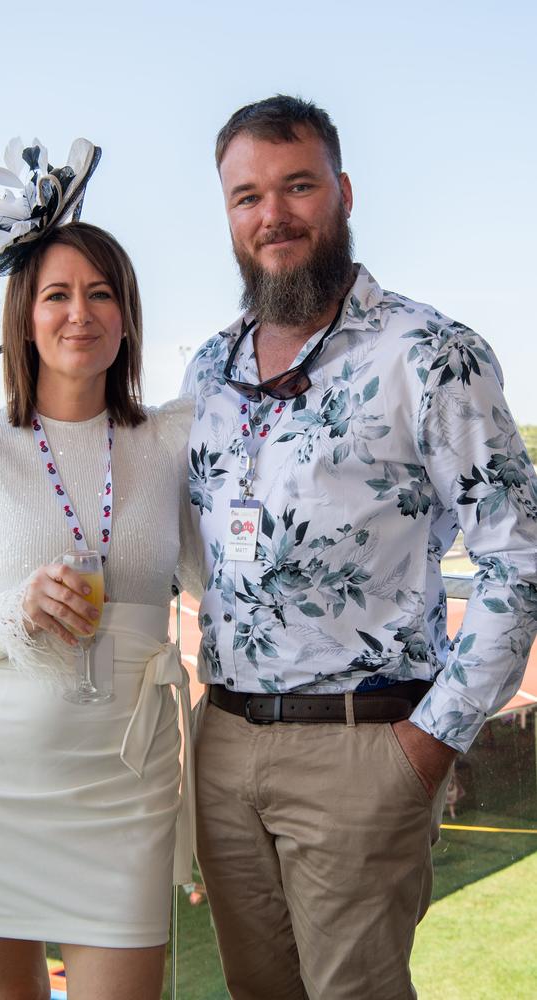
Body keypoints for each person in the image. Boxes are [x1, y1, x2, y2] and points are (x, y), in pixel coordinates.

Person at [182, 95, 537, 1000]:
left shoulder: (432, 352)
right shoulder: (208, 371)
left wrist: (428, 743)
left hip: (364, 744)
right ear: (227, 214)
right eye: (247, 196)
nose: (274, 215)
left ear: (341, 191)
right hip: (220, 747)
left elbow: (517, 558)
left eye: (298, 186)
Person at [0, 138, 198, 1000]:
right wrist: (13, 612)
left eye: (101, 294)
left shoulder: (172, 441)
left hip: (127, 789)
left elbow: (218, 579)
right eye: (57, 295)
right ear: (23, 317)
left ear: (128, 315)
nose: (80, 314)